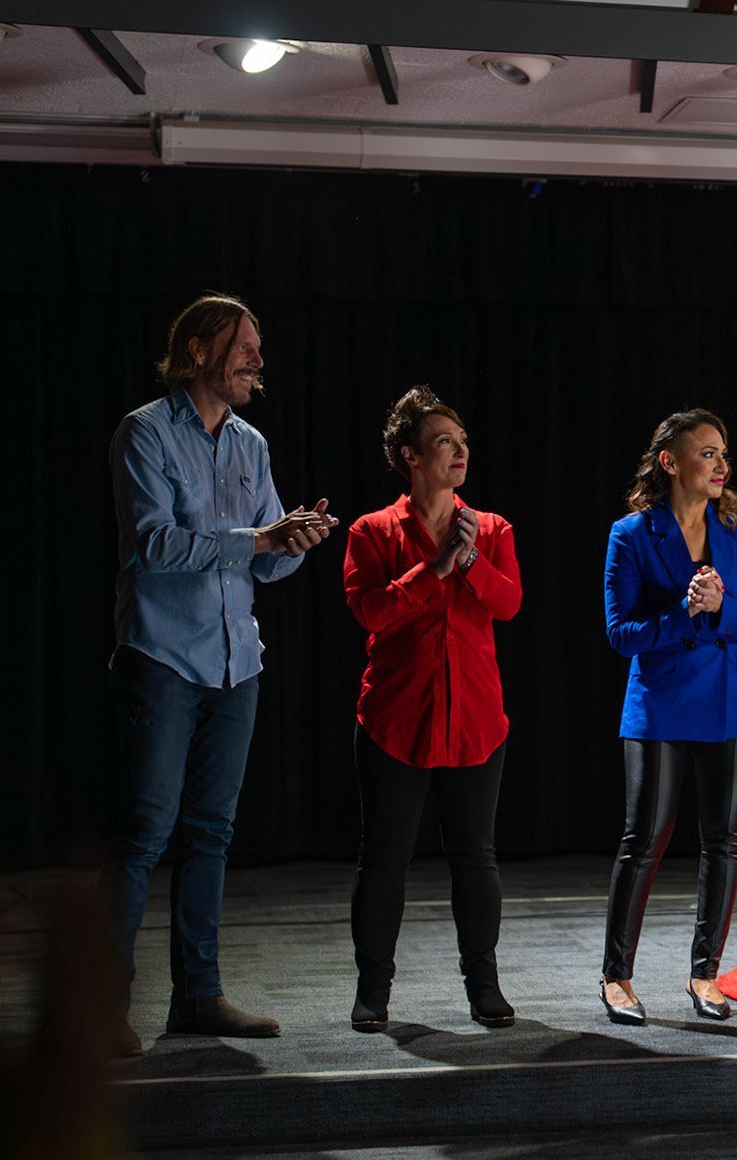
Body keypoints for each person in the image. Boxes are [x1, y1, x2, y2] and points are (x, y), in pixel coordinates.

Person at [103, 293, 337, 1057]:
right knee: (143, 836)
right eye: (243, 346)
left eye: (258, 348)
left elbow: (264, 563)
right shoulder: (144, 432)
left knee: (211, 834)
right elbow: (156, 544)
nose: (257, 361)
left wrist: (295, 541)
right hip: (163, 660)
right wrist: (260, 538)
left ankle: (197, 998)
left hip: (238, 666)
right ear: (198, 350)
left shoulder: (250, 444)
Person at [343, 386, 522, 1031]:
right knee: (384, 858)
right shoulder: (372, 531)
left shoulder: (492, 529)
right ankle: (373, 990)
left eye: (463, 441)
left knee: (475, 855)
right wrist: (434, 570)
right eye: (445, 442)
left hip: (475, 719)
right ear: (410, 457)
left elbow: (508, 604)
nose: (460, 452)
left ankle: (484, 985)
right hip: (396, 719)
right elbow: (369, 612)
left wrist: (468, 563)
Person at [600, 410, 737, 1025]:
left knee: (724, 842)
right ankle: (616, 976)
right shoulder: (631, 534)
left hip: (733, 702)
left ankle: (705, 974)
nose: (721, 464)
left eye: (723, 453)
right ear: (670, 462)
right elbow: (621, 634)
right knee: (643, 840)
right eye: (707, 453)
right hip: (661, 705)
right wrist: (686, 612)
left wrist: (721, 606)